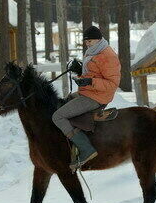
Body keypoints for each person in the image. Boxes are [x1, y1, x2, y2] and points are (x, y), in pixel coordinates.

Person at [52, 25, 121, 171]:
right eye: (86, 41)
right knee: (62, 103)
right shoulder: (94, 51)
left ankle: (86, 149)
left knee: (58, 116)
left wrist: (90, 82)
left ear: (99, 39)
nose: (87, 44)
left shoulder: (108, 56)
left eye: (90, 41)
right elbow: (94, 73)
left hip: (98, 96)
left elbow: (112, 84)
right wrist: (81, 72)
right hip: (89, 91)